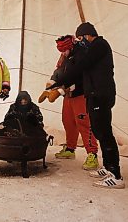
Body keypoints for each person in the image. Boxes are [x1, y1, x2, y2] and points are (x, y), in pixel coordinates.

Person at [50, 23, 124, 189]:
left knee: (104, 134)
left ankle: (116, 174)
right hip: (93, 96)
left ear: (88, 35)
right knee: (99, 131)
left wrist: (60, 82)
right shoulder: (91, 49)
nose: (80, 42)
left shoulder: (100, 45)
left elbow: (80, 66)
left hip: (101, 95)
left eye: (81, 38)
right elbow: (79, 69)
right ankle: (107, 167)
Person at [39, 35, 99, 170]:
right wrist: (52, 83)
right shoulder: (65, 55)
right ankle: (70, 149)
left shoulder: (81, 55)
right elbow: (59, 70)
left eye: (64, 51)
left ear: (70, 47)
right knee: (68, 121)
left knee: (83, 123)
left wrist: (60, 91)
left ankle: (92, 154)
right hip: (68, 96)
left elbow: (78, 77)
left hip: (80, 94)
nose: (62, 53)